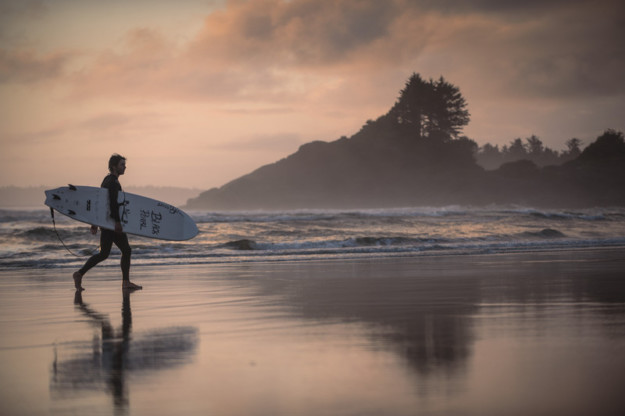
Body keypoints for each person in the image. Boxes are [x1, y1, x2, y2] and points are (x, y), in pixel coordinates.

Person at [73, 154, 142, 291]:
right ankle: (125, 282)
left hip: (106, 223)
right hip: (111, 223)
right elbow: (112, 204)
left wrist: (95, 222)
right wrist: (117, 222)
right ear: (115, 166)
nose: (125, 167)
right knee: (126, 250)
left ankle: (79, 274)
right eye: (122, 164)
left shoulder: (107, 180)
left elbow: (100, 203)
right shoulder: (113, 183)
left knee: (105, 253)